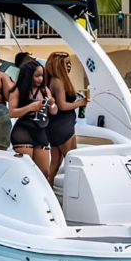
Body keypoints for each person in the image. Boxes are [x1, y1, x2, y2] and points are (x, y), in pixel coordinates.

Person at [44, 51, 88, 187]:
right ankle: (73, 189)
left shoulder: (53, 80)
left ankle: (48, 187)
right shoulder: (58, 81)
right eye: (66, 63)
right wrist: (80, 103)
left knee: (55, 163)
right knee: (71, 160)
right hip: (63, 126)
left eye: (70, 63)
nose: (69, 66)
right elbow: (62, 105)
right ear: (58, 65)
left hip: (57, 125)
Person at [9, 59, 56, 179]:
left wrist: (52, 103)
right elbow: (11, 112)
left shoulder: (45, 90)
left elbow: (53, 111)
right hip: (23, 131)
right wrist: (30, 107)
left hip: (41, 130)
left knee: (44, 173)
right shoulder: (17, 90)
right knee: (26, 172)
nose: (40, 79)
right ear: (28, 76)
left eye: (42, 76)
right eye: (37, 76)